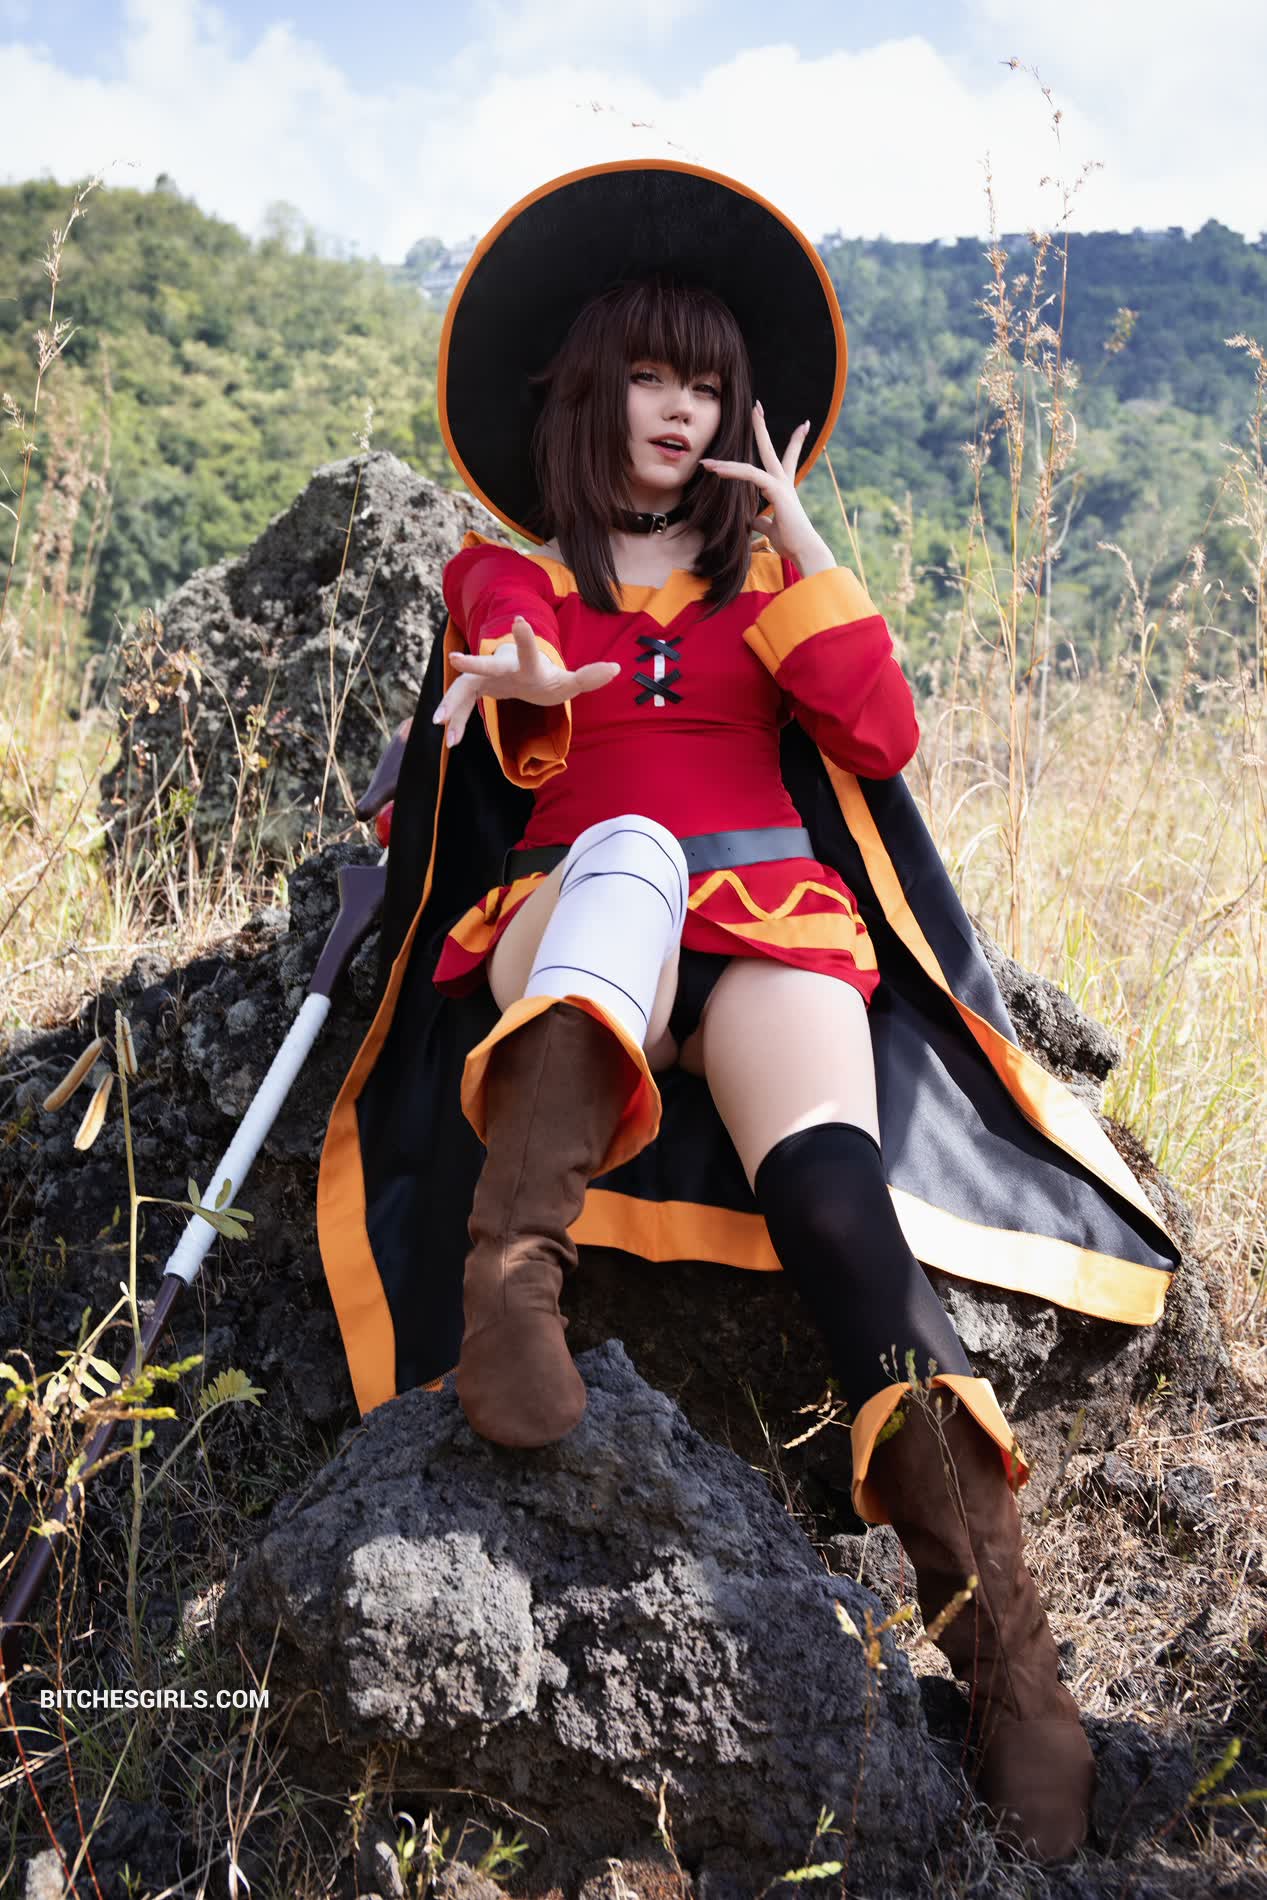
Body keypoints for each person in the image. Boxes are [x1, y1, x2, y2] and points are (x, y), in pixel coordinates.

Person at [319, 159, 1181, 1866]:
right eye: (650, 375)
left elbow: (879, 736)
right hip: (581, 924)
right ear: (586, 390)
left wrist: (805, 540)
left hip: (771, 925)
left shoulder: (763, 595)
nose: (682, 410)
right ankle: (513, 1280)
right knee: (634, 846)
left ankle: (1014, 1674)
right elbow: (505, 646)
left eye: (708, 385)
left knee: (845, 1209)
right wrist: (526, 676)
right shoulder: (510, 578)